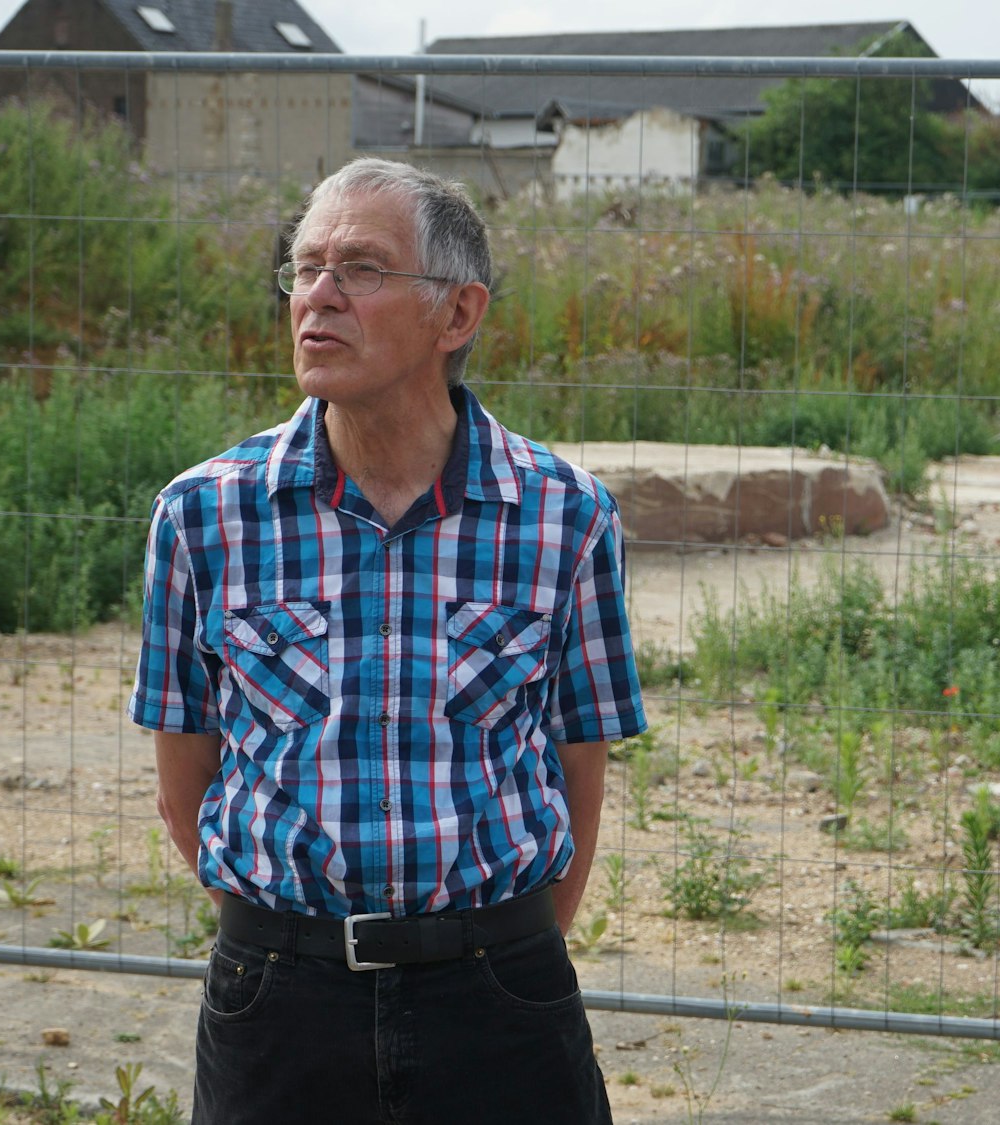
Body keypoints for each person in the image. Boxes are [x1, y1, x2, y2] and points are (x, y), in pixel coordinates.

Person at [128, 157, 645, 1125]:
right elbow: (182, 773)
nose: (317, 297)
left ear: (458, 314)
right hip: (276, 1004)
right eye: (305, 268)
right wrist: (287, 942)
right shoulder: (204, 515)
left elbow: (581, 758)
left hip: (501, 1000)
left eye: (360, 268)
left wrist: (510, 945)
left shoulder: (565, 518)